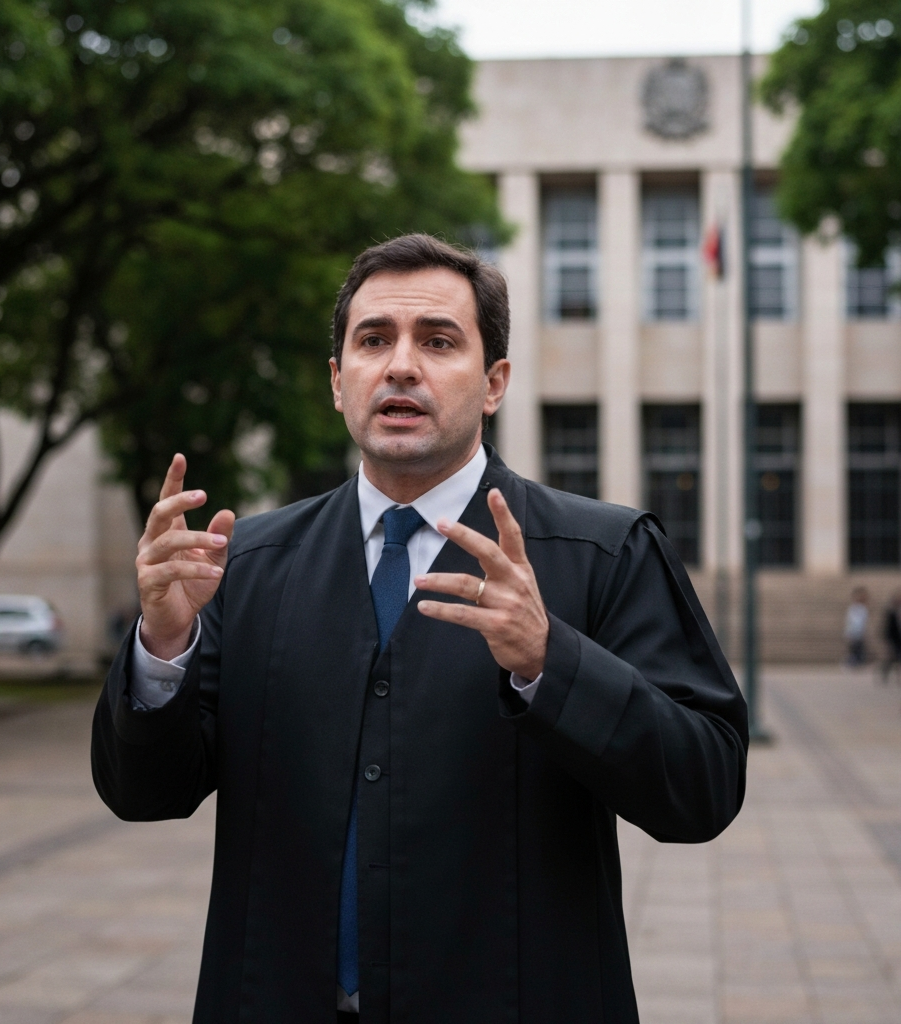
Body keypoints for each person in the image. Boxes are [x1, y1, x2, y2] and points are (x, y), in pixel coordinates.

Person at [92, 234, 748, 1024]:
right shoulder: (245, 565)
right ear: (338, 382)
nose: (401, 366)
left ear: (494, 382)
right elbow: (145, 795)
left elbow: (704, 789)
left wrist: (552, 661)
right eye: (374, 340)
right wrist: (163, 646)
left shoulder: (604, 553)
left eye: (438, 341)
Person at [845, 587, 870, 667]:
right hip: (853, 632)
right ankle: (852, 662)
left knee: (859, 648)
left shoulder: (863, 608)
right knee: (854, 648)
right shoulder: (852, 608)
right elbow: (850, 621)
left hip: (860, 632)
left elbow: (863, 622)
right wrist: (849, 632)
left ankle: (858, 661)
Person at [882, 591, 901, 684]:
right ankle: (885, 671)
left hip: (899, 639)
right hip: (893, 640)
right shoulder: (891, 613)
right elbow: (887, 628)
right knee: (892, 658)